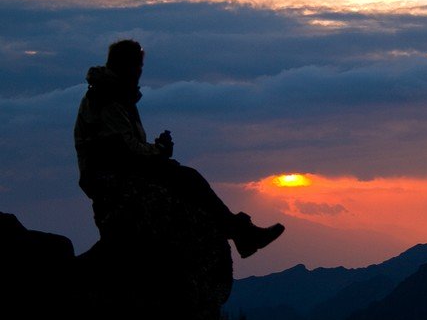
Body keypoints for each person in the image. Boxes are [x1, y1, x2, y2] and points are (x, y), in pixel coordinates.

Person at [74, 39, 284, 258]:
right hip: (107, 174)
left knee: (185, 178)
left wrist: (157, 150)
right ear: (125, 66)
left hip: (113, 169)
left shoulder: (114, 95)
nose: (139, 72)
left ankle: (242, 235)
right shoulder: (107, 98)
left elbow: (125, 145)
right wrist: (158, 152)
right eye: (137, 66)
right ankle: (242, 234)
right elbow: (122, 149)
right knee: (188, 179)